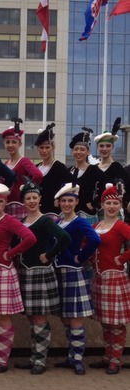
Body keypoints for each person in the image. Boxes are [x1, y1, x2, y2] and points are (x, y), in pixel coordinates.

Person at [0, 183, 36, 374]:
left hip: (3, 272)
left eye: (0, 202)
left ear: (5, 203)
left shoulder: (9, 220)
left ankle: (2, 361)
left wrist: (11, 253)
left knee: (3, 317)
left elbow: (29, 238)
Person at [14, 180, 71, 374]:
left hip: (40, 272)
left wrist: (49, 254)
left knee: (39, 319)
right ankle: (34, 357)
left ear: (40, 199)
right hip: (25, 272)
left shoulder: (46, 220)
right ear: (23, 201)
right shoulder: (21, 222)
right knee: (32, 318)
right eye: (28, 198)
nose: (31, 201)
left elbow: (64, 238)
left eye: (34, 198)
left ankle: (40, 360)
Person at [53, 182, 100, 375]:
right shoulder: (57, 222)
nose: (66, 204)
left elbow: (96, 240)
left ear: (76, 202)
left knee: (76, 319)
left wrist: (81, 257)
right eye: (64, 200)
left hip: (73, 271)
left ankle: (78, 359)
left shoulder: (80, 221)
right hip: (58, 272)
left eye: (70, 200)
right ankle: (71, 356)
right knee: (65, 317)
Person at [90, 184, 130, 374]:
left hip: (114, 276)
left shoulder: (121, 226)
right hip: (98, 277)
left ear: (119, 206)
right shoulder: (96, 226)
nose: (112, 207)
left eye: (115, 203)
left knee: (115, 322)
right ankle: (107, 355)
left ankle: (116, 359)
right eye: (109, 203)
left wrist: (122, 258)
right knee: (105, 321)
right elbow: (87, 244)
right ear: (102, 205)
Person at [1, 118, 43, 219]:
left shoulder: (24, 161)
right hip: (7, 205)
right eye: (7, 142)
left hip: (20, 206)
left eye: (14, 142)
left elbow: (38, 175)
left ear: (20, 144)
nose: (10, 145)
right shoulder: (6, 163)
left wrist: (26, 190)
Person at [68, 128, 108, 225]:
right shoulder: (69, 171)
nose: (79, 152)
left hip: (87, 215)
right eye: (76, 149)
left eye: (82, 149)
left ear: (88, 152)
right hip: (70, 214)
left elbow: (106, 185)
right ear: (72, 151)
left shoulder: (93, 170)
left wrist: (95, 203)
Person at [34, 123, 73, 218]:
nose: (44, 151)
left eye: (47, 147)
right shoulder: (36, 167)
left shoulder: (59, 167)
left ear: (53, 148)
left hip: (54, 212)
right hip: (36, 211)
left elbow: (73, 184)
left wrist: (60, 197)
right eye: (41, 148)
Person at [94, 118, 130, 217]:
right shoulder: (94, 168)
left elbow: (128, 185)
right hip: (94, 212)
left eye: (108, 146)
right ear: (97, 147)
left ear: (112, 147)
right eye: (101, 146)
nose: (104, 149)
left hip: (113, 211)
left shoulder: (116, 167)